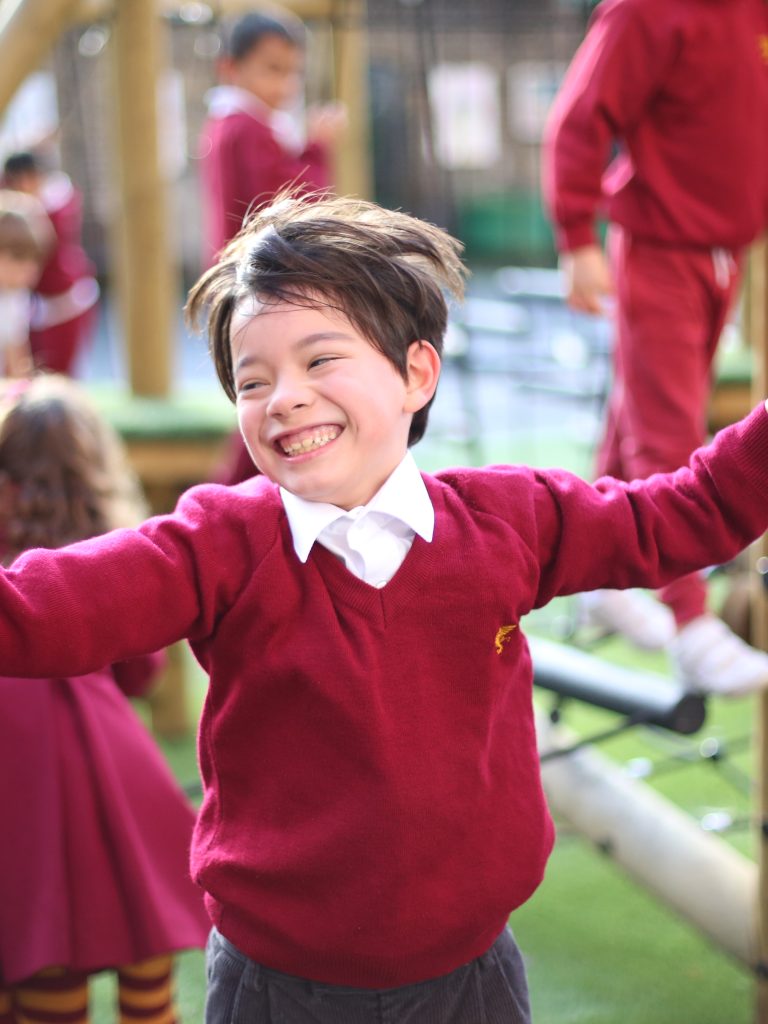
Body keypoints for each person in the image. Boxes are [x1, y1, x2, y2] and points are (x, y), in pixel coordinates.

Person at [1, 194, 768, 1022]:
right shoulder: (216, 544)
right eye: (251, 380)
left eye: (319, 360)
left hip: (472, 973)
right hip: (276, 987)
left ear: (415, 373)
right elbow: (39, 610)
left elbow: (683, 513)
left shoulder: (509, 520)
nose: (281, 397)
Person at [541, 0, 768, 692]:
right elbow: (580, 117)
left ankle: (600, 574)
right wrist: (576, 236)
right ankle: (690, 620)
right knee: (667, 428)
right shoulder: (648, 9)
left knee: (637, 412)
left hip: (725, 247)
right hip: (660, 244)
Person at [0, 376, 210, 1024]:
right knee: (147, 985)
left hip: (19, 794)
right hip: (120, 785)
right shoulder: (106, 557)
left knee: (37, 970)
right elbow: (140, 673)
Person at [199, 8, 347, 485]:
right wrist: (317, 148)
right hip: (261, 285)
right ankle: (238, 496)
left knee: (265, 394)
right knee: (271, 398)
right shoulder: (248, 127)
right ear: (231, 68)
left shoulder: (236, 125)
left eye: (292, 72)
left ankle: (246, 493)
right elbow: (291, 203)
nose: (285, 85)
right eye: (272, 69)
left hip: (246, 282)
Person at [2, 151, 100, 376]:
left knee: (59, 371)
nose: (30, 271)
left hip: (63, 303)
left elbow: (16, 360)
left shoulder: (50, 208)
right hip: (42, 306)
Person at [0, 189, 51, 379]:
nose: (31, 270)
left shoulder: (15, 298)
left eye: (34, 260)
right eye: (19, 258)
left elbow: (17, 362)